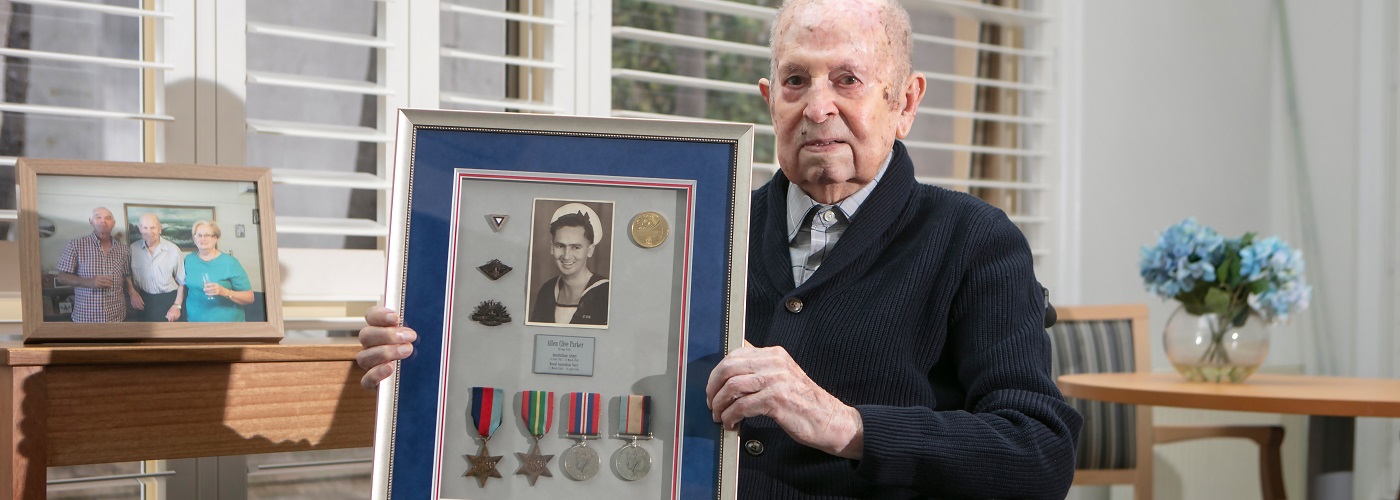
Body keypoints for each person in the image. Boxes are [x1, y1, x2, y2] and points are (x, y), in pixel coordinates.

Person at [357, 0, 1080, 497]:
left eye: (848, 80)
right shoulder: (697, 224)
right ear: (770, 98)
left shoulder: (976, 244)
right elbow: (564, 349)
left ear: (907, 101)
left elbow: (1039, 454)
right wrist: (431, 345)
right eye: (796, 80)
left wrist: (847, 425)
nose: (817, 105)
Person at [526, 203, 610, 325]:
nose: (566, 256)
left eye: (576, 247)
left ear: (590, 250)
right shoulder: (547, 290)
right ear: (552, 248)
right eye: (560, 246)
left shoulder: (605, 293)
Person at [56, 207, 133, 322]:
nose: (103, 220)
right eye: (98, 217)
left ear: (113, 223)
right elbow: (61, 277)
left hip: (117, 316)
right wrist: (89, 282)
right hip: (86, 317)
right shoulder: (76, 245)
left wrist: (132, 292)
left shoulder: (123, 249)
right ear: (91, 221)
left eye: (108, 218)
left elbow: (126, 275)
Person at [182, 220, 255, 322]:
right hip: (195, 323)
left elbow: (249, 297)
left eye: (207, 235)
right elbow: (181, 284)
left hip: (227, 325)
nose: (203, 239)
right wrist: (176, 306)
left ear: (215, 238)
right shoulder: (189, 260)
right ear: (194, 238)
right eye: (199, 235)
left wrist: (224, 292)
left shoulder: (230, 262)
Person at [128, 213, 186, 322]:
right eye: (145, 227)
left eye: (153, 227)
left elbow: (182, 282)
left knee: (168, 337)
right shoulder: (133, 249)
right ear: (140, 229)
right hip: (143, 300)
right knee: (144, 337)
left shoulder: (173, 250)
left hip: (169, 301)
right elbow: (127, 275)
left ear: (160, 229)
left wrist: (177, 306)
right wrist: (132, 293)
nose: (149, 232)